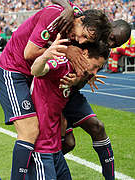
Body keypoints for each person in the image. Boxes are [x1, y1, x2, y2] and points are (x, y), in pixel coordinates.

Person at [0, 3, 112, 180]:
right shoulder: (57, 16)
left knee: (67, 140)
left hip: (35, 76)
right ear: (81, 19)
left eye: (87, 41)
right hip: (13, 71)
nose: (80, 41)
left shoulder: (76, 25)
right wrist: (67, 49)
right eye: (84, 35)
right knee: (30, 131)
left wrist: (84, 75)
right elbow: (29, 53)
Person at [27, 34, 109, 179]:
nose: (95, 72)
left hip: (55, 147)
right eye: (95, 66)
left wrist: (82, 78)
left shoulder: (75, 73)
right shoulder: (61, 64)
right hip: (42, 147)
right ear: (84, 54)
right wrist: (46, 55)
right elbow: (36, 70)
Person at [60, 19, 131, 180]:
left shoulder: (102, 50)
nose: (111, 44)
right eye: (112, 38)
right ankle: (37, 167)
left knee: (97, 127)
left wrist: (86, 75)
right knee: (68, 143)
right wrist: (68, 49)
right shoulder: (82, 33)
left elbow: (79, 82)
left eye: (116, 44)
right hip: (52, 90)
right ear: (107, 27)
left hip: (70, 92)